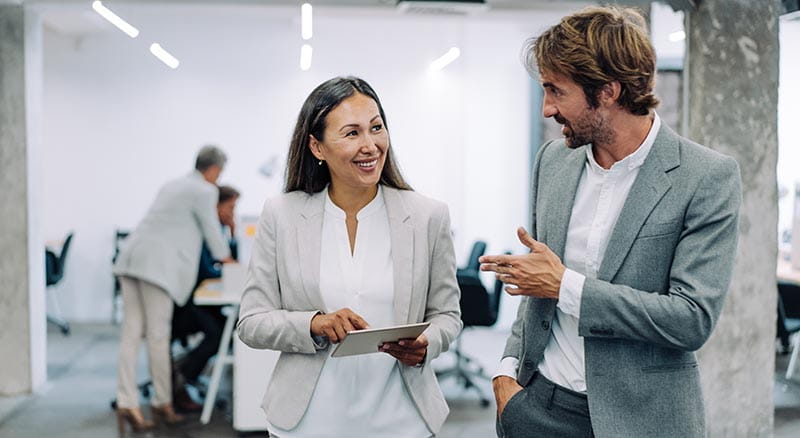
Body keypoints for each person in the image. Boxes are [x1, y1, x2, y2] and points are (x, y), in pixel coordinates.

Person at [480, 6, 742, 438]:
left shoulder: (705, 177)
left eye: (555, 91)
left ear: (607, 91)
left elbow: (691, 318)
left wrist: (565, 285)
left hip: (645, 418)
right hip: (539, 407)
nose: (547, 109)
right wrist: (507, 375)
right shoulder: (553, 162)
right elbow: (537, 285)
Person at [237, 76, 462, 437]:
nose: (370, 145)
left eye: (376, 128)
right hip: (307, 421)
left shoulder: (427, 216)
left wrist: (427, 344)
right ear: (317, 147)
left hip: (403, 420)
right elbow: (251, 322)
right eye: (352, 133)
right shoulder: (282, 215)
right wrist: (313, 324)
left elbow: (447, 315)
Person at [112, 145, 233, 432]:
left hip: (131, 258)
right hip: (158, 267)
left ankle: (127, 402)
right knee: (157, 335)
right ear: (214, 170)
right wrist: (230, 260)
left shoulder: (173, 184)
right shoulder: (204, 190)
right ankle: (162, 402)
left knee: (131, 334)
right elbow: (212, 234)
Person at [171, 185, 241, 412]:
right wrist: (231, 270)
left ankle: (186, 370)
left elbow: (225, 258)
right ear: (216, 206)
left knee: (227, 328)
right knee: (219, 332)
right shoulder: (201, 233)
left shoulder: (217, 231)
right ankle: (182, 376)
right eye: (230, 207)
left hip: (195, 301)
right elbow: (206, 271)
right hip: (185, 305)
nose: (232, 213)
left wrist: (232, 233)